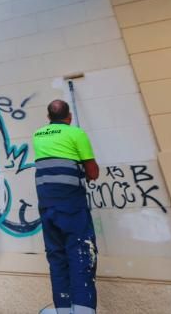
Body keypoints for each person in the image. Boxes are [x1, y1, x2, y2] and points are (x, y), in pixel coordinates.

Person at [32, 99, 100, 314]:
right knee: (80, 254)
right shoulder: (76, 133)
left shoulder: (38, 135)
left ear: (48, 118)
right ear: (69, 117)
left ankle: (63, 309)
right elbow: (93, 173)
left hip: (47, 207)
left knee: (57, 259)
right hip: (71, 205)